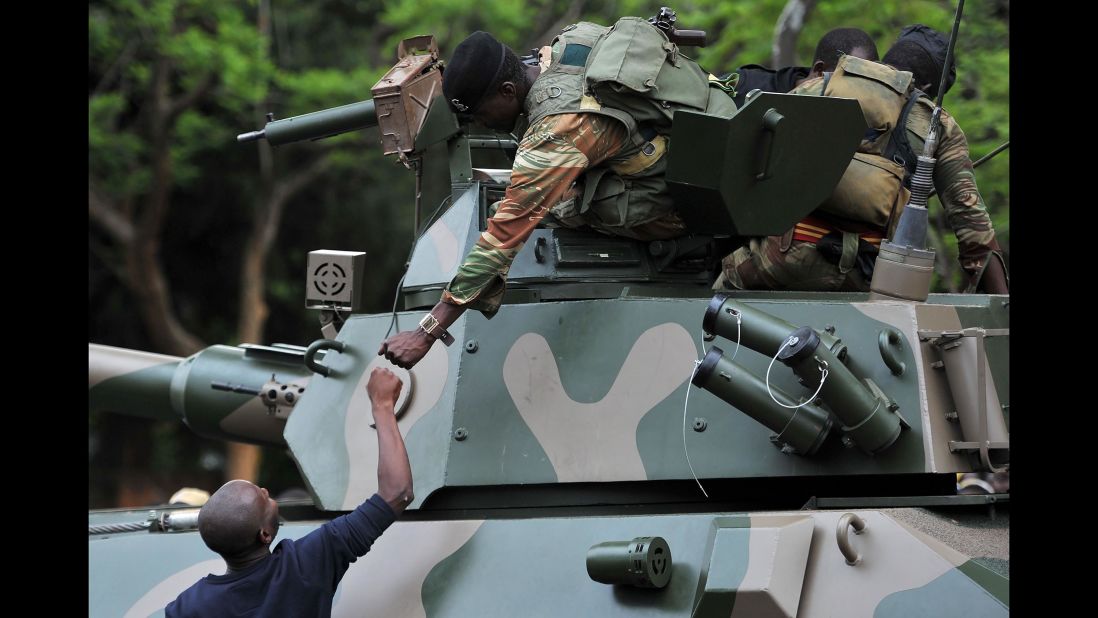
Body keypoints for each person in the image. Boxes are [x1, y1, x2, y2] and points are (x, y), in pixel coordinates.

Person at [380, 22, 737, 369]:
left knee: (561, 208)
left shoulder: (557, 129)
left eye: (480, 114)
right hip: (717, 130)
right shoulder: (572, 40)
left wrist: (427, 331)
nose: (482, 124)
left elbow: (503, 237)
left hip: (690, 200)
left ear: (507, 91)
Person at [716, 25, 1008, 294]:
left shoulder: (817, 87)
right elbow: (973, 227)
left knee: (718, 292)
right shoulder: (937, 123)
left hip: (780, 262)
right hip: (869, 278)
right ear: (929, 91)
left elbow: (750, 170)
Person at [165, 367, 413, 617]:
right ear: (264, 534)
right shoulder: (305, 564)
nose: (265, 489)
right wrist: (382, 404)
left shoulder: (188, 607)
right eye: (263, 498)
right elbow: (397, 493)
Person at [724, 27, 878, 108]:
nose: (861, 89)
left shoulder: (861, 117)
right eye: (854, 78)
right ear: (819, 71)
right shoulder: (741, 85)